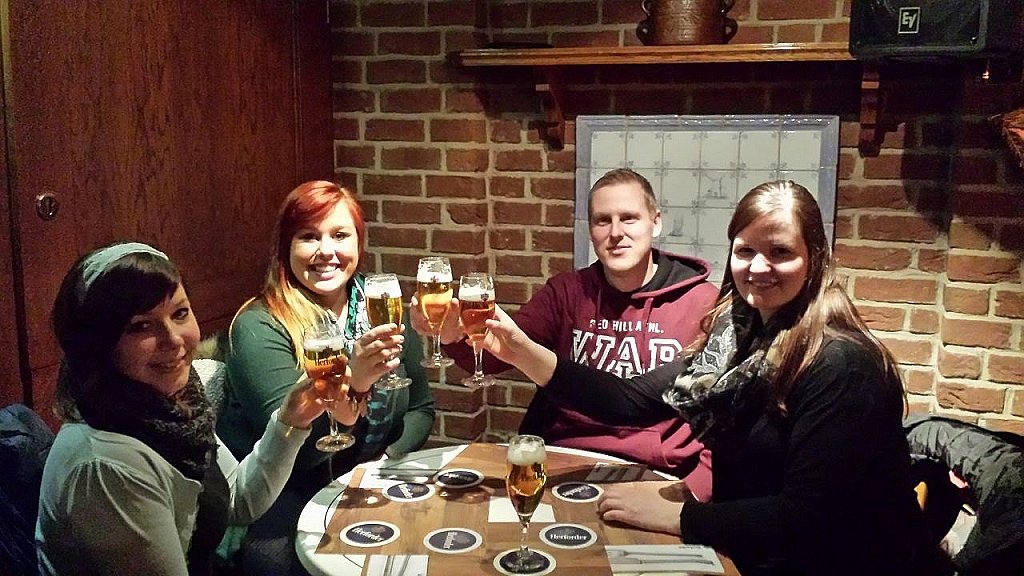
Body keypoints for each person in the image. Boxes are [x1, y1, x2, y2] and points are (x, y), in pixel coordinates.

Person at [476, 181, 930, 575]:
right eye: (746, 251)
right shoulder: (736, 337)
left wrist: (681, 517)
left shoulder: (841, 363)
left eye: (781, 252)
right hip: (752, 550)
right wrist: (521, 351)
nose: (758, 267)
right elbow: (632, 400)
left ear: (816, 258)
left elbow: (811, 518)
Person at [412, 168, 719, 496]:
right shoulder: (567, 291)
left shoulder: (703, 302)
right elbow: (498, 354)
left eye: (629, 218)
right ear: (591, 230)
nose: (616, 232)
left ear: (655, 222)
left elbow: (719, 420)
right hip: (564, 461)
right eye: (603, 221)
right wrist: (453, 335)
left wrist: (689, 493)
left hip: (658, 471)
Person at [37, 242, 332, 576]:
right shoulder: (108, 465)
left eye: (179, 314)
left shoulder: (173, 406)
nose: (173, 339)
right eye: (141, 326)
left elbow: (236, 500)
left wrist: (291, 420)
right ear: (99, 344)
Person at [217, 180, 435, 575]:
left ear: (359, 243)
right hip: (283, 498)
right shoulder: (258, 327)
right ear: (286, 247)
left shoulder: (380, 306)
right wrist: (357, 382)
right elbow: (300, 454)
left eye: (339, 235)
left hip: (367, 483)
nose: (326, 251)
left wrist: (386, 459)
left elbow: (421, 407)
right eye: (308, 237)